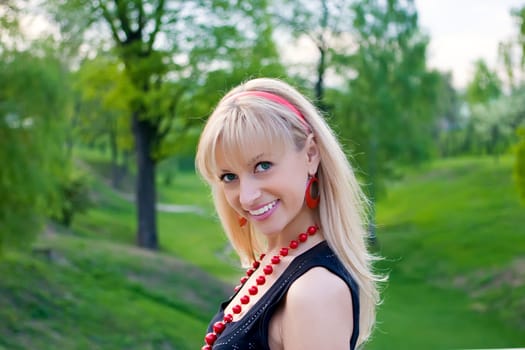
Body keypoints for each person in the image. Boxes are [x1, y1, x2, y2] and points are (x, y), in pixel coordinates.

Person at [195, 78, 382, 350]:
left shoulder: (315, 292)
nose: (247, 196)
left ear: (310, 155)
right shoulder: (278, 260)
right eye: (229, 176)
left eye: (262, 165)